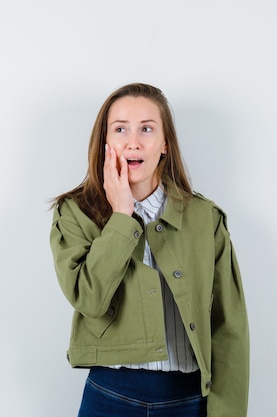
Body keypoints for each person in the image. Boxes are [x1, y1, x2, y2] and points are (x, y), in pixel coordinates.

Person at [49, 83, 249, 417]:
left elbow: (229, 328)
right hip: (109, 397)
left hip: (189, 401)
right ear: (105, 143)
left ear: (165, 144)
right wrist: (121, 217)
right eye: (120, 129)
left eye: (146, 128)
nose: (133, 141)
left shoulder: (205, 217)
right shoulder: (74, 212)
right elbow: (89, 299)